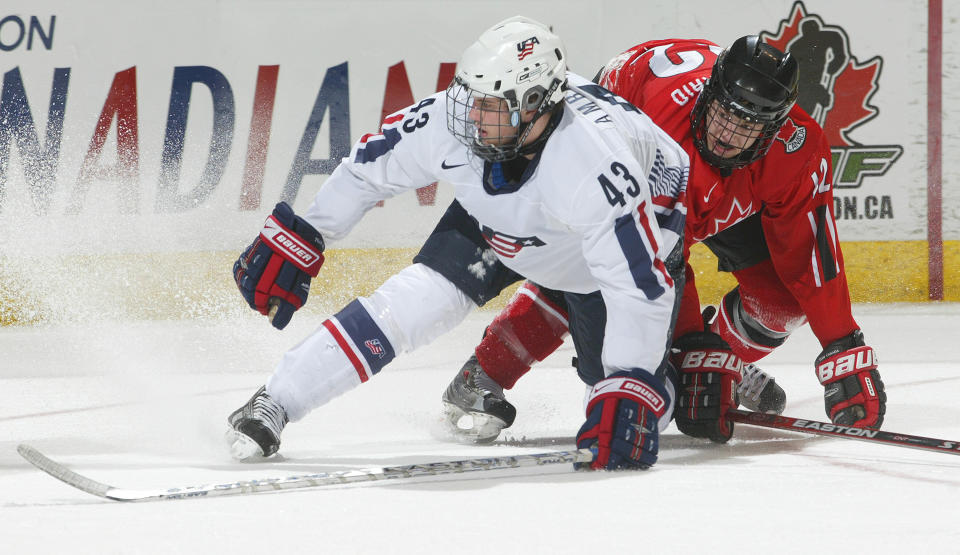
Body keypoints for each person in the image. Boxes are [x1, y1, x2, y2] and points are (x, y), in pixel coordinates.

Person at [226, 16, 691, 471]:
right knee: (414, 303)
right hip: (503, 217)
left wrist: (632, 385)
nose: (470, 116)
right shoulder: (460, 122)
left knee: (639, 406)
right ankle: (276, 400)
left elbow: (639, 286)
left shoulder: (595, 167)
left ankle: (630, 347)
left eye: (489, 105)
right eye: (470, 97)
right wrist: (307, 233)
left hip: (610, 245)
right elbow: (367, 168)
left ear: (534, 106)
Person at [440, 36, 886, 445]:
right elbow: (657, 255)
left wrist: (842, 344)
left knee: (780, 303)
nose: (728, 134)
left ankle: (723, 361)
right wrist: (692, 345)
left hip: (712, 184)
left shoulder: (797, 151)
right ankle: (485, 372)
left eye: (748, 125)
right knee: (586, 268)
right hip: (624, 141)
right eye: (724, 113)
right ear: (708, 96)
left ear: (774, 128)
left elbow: (809, 251)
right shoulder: (657, 131)